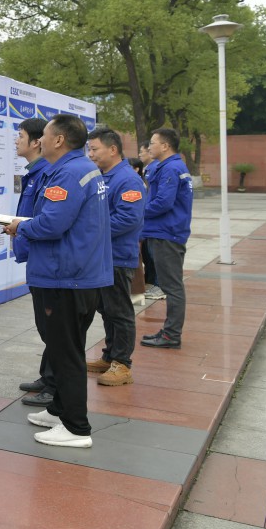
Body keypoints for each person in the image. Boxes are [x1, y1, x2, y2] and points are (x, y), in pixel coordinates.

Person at [3, 115, 111, 448]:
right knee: (68, 347)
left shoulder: (68, 173)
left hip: (65, 278)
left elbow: (51, 224)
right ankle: (59, 411)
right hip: (78, 275)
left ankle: (76, 428)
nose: (40, 141)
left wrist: (20, 227)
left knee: (65, 353)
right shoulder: (81, 169)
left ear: (59, 140)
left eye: (45, 135)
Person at [86, 129, 146, 385]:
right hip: (103, 257)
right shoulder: (103, 177)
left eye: (94, 149)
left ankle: (122, 364)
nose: (91, 154)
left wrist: (91, 230)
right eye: (89, 149)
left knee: (120, 311)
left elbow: (128, 219)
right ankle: (110, 356)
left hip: (118, 257)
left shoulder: (128, 179)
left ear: (113, 150)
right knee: (107, 309)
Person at [10, 118, 54, 406]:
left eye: (21, 135)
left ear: (37, 142)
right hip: (36, 256)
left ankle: (55, 385)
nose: (16, 140)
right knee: (46, 325)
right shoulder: (35, 173)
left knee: (52, 327)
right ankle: (48, 376)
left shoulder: (47, 174)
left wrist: (22, 228)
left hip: (47, 261)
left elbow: (48, 221)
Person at [140, 128, 194, 348]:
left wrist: (138, 211)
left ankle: (172, 335)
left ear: (165, 146)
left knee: (171, 287)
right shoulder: (171, 166)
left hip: (167, 233)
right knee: (170, 285)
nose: (149, 147)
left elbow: (163, 202)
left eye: (152, 143)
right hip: (165, 231)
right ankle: (170, 331)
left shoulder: (170, 168)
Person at [138, 142, 163, 300]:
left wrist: (143, 210)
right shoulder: (150, 168)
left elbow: (160, 199)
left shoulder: (155, 168)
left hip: (154, 221)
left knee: (155, 257)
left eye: (142, 152)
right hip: (149, 220)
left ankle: (158, 285)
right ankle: (152, 283)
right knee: (149, 256)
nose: (140, 155)